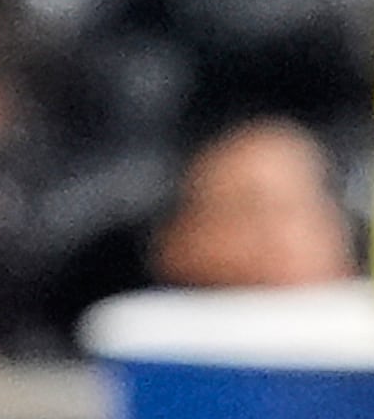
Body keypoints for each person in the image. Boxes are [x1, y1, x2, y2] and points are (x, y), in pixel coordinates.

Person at [149, 116, 353, 291]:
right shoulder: (151, 318)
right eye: (246, 211)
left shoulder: (361, 310)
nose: (274, 236)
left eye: (286, 210)